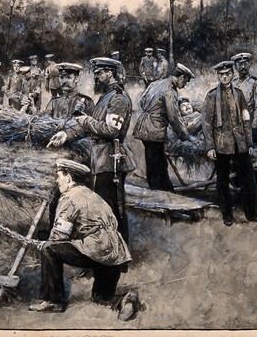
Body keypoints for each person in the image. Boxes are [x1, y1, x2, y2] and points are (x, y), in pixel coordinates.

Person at [29, 159, 139, 321]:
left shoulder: (69, 198)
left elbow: (58, 237)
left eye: (59, 176)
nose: (57, 180)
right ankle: (125, 299)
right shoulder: (92, 195)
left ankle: (53, 301)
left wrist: (42, 244)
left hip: (98, 251)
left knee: (49, 249)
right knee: (101, 298)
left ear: (69, 177)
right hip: (115, 255)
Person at [48, 57, 135, 243]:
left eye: (98, 74)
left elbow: (111, 130)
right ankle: (106, 252)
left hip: (112, 160)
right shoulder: (106, 97)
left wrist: (85, 120)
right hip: (102, 159)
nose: (96, 78)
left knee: (113, 209)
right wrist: (66, 135)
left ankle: (118, 256)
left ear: (109, 73)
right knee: (104, 208)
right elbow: (88, 124)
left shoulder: (118, 98)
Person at [202, 61, 257, 227]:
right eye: (221, 74)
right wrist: (210, 147)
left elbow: (246, 119)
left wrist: (249, 143)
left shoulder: (239, 94)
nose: (224, 76)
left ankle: (251, 214)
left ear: (232, 74)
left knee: (249, 179)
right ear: (218, 76)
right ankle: (227, 215)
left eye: (227, 74)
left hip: (240, 143)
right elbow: (207, 123)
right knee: (222, 181)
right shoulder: (211, 96)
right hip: (221, 143)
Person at [133, 63, 196, 191]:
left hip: (143, 125)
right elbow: (174, 117)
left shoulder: (155, 83)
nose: (184, 85)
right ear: (181, 77)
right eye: (186, 82)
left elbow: (142, 101)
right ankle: (161, 191)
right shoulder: (170, 91)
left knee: (153, 160)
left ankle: (158, 188)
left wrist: (152, 110)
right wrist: (187, 136)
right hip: (155, 129)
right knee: (158, 161)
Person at [231, 53, 257, 133]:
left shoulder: (256, 83)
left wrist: (254, 129)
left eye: (245, 64)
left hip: (248, 125)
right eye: (240, 64)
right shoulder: (232, 83)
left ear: (249, 64)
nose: (243, 67)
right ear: (235, 66)